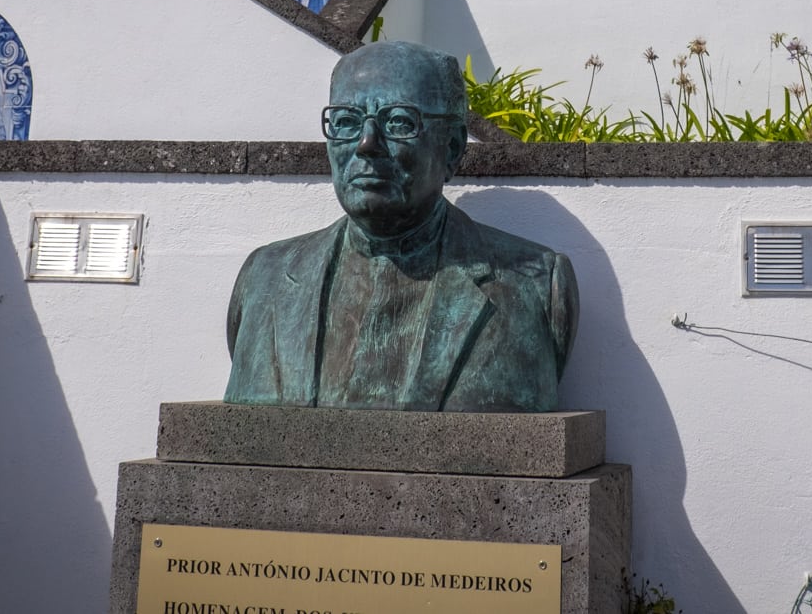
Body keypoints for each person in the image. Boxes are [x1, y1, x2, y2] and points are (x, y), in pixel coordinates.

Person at [224, 41, 578, 412]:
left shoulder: (537, 287)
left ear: (453, 147)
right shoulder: (263, 277)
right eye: (346, 121)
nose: (366, 143)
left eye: (398, 122)